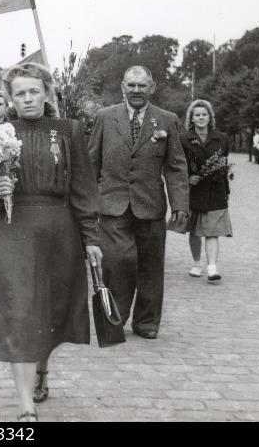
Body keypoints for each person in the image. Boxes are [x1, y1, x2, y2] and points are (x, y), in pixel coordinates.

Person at [0, 62, 101, 422]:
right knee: (20, 311)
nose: (28, 99)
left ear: (46, 92)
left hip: (59, 230)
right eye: (20, 93)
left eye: (34, 91)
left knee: (51, 309)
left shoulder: (68, 130)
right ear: (10, 98)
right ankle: (25, 406)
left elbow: (84, 190)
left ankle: (41, 366)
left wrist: (91, 238)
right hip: (14, 230)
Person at [88, 65, 188, 340]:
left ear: (152, 88)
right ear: (122, 87)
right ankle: (115, 317)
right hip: (112, 204)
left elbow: (176, 166)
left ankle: (146, 322)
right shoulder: (105, 117)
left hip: (150, 204)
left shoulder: (166, 120)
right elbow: (91, 161)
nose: (136, 91)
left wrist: (179, 203)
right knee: (119, 260)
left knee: (151, 266)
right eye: (131, 85)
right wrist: (88, 202)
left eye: (141, 86)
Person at [179, 100, 233, 283]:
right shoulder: (184, 139)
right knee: (195, 230)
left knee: (212, 231)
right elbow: (177, 165)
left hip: (215, 190)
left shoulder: (222, 138)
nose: (201, 118)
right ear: (191, 118)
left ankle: (212, 268)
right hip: (194, 191)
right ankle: (196, 263)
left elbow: (224, 164)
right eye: (197, 115)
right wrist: (187, 177)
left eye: (204, 114)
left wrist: (226, 189)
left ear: (210, 117)